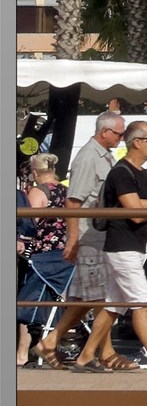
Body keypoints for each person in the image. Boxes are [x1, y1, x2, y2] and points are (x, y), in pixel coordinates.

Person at [73, 118, 147, 373]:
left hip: (135, 246)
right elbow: (136, 213)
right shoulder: (121, 172)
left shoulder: (143, 174)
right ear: (136, 143)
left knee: (114, 304)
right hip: (121, 246)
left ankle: (85, 356)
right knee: (141, 301)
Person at [41, 112, 123, 366]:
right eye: (119, 133)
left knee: (91, 297)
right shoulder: (89, 157)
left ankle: (51, 341)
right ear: (104, 131)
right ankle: (104, 352)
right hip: (90, 236)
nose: (122, 138)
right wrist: (73, 238)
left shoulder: (104, 154)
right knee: (98, 297)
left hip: (97, 235)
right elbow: (74, 200)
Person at [17, 152, 70, 366]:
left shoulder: (39, 192)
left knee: (28, 300)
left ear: (36, 172)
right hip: (65, 254)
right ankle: (42, 347)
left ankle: (21, 354)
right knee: (45, 301)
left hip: (43, 255)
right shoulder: (66, 191)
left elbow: (29, 224)